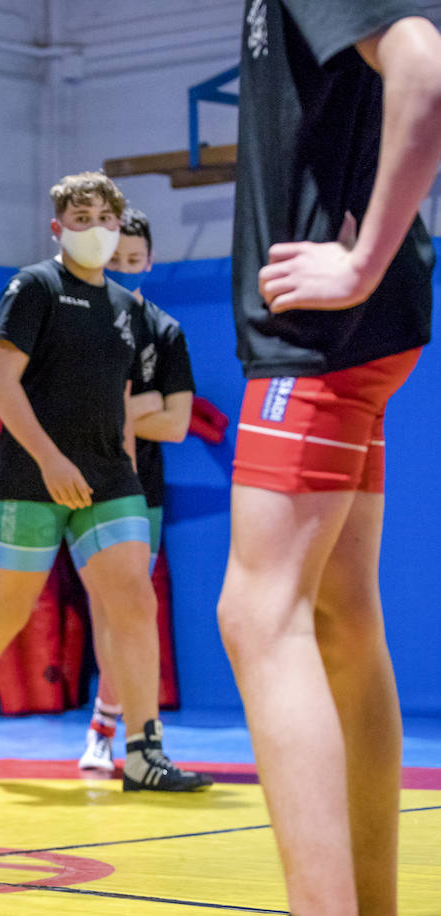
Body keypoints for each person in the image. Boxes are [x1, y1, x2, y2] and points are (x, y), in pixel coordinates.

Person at [219, 3, 441, 913]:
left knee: (258, 614)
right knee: (342, 614)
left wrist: (359, 266)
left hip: (320, 340)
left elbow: (424, 65)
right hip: (356, 339)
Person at [0, 172, 209, 793]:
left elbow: (125, 402)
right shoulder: (34, 288)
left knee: (135, 598)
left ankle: (141, 750)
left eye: (105, 219)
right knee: (9, 610)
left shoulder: (132, 311)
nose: (94, 231)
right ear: (59, 228)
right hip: (32, 478)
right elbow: (1, 384)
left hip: (109, 479)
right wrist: (51, 459)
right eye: (80, 220)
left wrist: (126, 461)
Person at [80, 209, 195, 772]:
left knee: (128, 610)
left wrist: (119, 410)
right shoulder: (73, 320)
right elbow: (65, 410)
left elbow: (175, 424)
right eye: (114, 259)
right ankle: (109, 721)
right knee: (105, 611)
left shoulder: (165, 330)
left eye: (134, 260)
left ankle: (113, 724)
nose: (125, 270)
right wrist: (134, 406)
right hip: (81, 489)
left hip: (139, 492)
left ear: (148, 260)